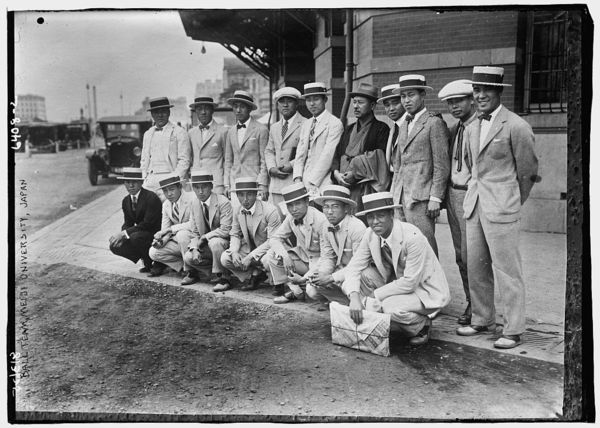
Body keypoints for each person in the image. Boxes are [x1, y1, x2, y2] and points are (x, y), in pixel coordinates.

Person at [456, 66, 539, 349]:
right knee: (476, 266)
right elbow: (473, 168)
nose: (480, 96)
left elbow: (527, 172)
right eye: (476, 90)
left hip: (502, 207)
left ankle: (513, 328)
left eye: (486, 90)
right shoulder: (471, 127)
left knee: (507, 270)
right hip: (475, 205)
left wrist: (511, 200)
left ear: (499, 92)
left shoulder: (516, 125)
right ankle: (482, 319)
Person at [341, 192, 451, 346]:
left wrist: (374, 296)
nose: (375, 222)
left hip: (424, 290)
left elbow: (410, 283)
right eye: (370, 217)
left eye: (381, 216)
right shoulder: (370, 234)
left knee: (389, 307)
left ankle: (421, 325)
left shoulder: (412, 237)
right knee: (356, 281)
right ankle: (377, 317)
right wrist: (354, 298)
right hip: (396, 283)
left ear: (392, 214)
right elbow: (354, 267)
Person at [390, 74, 450, 257]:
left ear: (423, 95)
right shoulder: (404, 124)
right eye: (403, 96)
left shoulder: (434, 123)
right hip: (401, 196)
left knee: (425, 246)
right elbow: (398, 166)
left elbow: (441, 164)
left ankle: (433, 276)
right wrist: (394, 194)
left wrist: (435, 198)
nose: (406, 100)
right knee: (405, 247)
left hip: (421, 197)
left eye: (411, 95)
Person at [436, 79, 478, 326]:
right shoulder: (454, 129)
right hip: (453, 195)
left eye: (459, 101)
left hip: (470, 195)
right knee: (461, 254)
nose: (454, 106)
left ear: (472, 100)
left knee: (474, 254)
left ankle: (479, 307)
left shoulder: (480, 127)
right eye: (450, 102)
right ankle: (471, 301)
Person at [264, 182, 328, 302]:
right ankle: (295, 291)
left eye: (298, 203)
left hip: (320, 262)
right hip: (304, 259)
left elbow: (326, 257)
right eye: (290, 205)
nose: (294, 209)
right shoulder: (291, 217)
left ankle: (326, 298)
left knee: (312, 292)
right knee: (271, 256)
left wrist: (305, 278)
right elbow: (274, 239)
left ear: (307, 202)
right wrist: (285, 256)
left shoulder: (321, 220)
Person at [332, 82, 390, 212]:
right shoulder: (349, 129)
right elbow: (337, 154)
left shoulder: (381, 129)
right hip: (343, 184)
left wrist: (355, 173)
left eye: (360, 102)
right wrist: (336, 174)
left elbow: (380, 159)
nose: (356, 106)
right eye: (354, 102)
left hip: (365, 188)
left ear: (372, 105)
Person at [310, 185, 367, 309]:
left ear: (346, 208)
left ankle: (358, 303)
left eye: (335, 206)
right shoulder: (325, 225)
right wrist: (322, 275)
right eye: (326, 207)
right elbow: (328, 257)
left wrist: (330, 278)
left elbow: (359, 265)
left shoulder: (357, 227)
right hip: (340, 271)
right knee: (312, 289)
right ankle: (344, 303)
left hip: (358, 273)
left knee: (350, 284)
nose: (329, 212)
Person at [220, 177, 282, 291]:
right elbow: (235, 234)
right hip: (250, 248)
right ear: (237, 195)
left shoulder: (270, 210)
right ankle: (255, 275)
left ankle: (277, 280)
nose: (245, 199)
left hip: (269, 249)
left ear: (255, 194)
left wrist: (250, 257)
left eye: (249, 194)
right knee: (225, 258)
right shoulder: (237, 210)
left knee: (267, 260)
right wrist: (234, 251)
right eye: (241, 195)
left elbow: (273, 241)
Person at [182, 169, 233, 291]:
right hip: (206, 245)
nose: (200, 191)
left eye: (204, 187)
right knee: (188, 257)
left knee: (215, 242)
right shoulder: (194, 203)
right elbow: (194, 232)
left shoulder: (223, 202)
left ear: (211, 186)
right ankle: (212, 273)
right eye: (196, 187)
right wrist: (194, 248)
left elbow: (226, 230)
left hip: (225, 244)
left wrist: (205, 237)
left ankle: (224, 278)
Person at [293, 82, 344, 196]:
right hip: (303, 181)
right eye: (308, 100)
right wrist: (297, 178)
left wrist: (311, 182)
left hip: (323, 181)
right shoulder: (306, 124)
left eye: (316, 99)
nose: (312, 104)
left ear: (325, 100)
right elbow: (300, 154)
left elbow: (328, 155)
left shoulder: (334, 123)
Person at [109, 167, 162, 273]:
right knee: (114, 245)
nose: (131, 185)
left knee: (135, 237)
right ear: (124, 183)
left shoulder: (151, 197)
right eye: (127, 182)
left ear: (141, 183)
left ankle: (158, 262)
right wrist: (122, 235)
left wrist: (124, 234)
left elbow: (147, 224)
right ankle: (145, 258)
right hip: (140, 234)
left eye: (134, 182)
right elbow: (128, 223)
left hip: (156, 234)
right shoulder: (126, 201)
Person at [264, 87, 307, 217]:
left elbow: (308, 151)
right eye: (282, 101)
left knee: (295, 221)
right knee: (276, 221)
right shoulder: (275, 127)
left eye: (290, 101)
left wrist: (291, 165)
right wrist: (272, 168)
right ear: (277, 105)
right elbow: (269, 151)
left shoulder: (306, 123)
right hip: (276, 185)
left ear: (297, 104)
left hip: (294, 183)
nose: (285, 105)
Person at [140, 97, 192, 201]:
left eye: (163, 111)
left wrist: (174, 180)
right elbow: (144, 159)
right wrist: (144, 177)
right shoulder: (148, 134)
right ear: (152, 114)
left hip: (170, 177)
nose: (160, 115)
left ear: (168, 112)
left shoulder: (179, 132)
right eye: (156, 112)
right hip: (151, 179)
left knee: (169, 208)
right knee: (145, 206)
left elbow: (184, 160)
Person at [224, 90, 269, 207]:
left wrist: (262, 184)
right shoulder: (231, 132)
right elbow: (228, 160)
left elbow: (265, 160)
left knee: (256, 215)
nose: (238, 110)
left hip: (254, 184)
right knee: (236, 215)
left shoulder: (261, 129)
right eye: (235, 106)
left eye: (242, 107)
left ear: (249, 108)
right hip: (235, 184)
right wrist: (227, 184)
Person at [148, 172, 196, 278]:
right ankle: (184, 266)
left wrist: (170, 230)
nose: (169, 194)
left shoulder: (192, 198)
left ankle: (192, 271)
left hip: (195, 240)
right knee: (153, 252)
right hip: (181, 242)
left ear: (180, 187)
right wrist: (161, 241)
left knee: (182, 234)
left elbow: (194, 224)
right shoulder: (166, 204)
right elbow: (165, 229)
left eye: (172, 189)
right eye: (165, 191)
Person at [188, 96, 228, 195]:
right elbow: (189, 159)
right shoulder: (191, 133)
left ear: (212, 110)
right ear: (195, 111)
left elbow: (227, 160)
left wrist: (226, 184)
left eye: (206, 108)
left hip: (216, 183)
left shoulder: (223, 131)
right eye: (199, 109)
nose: (203, 112)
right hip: (197, 183)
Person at [379, 83, 407, 178]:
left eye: (395, 103)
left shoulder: (412, 125)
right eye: (387, 105)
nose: (391, 109)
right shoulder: (393, 129)